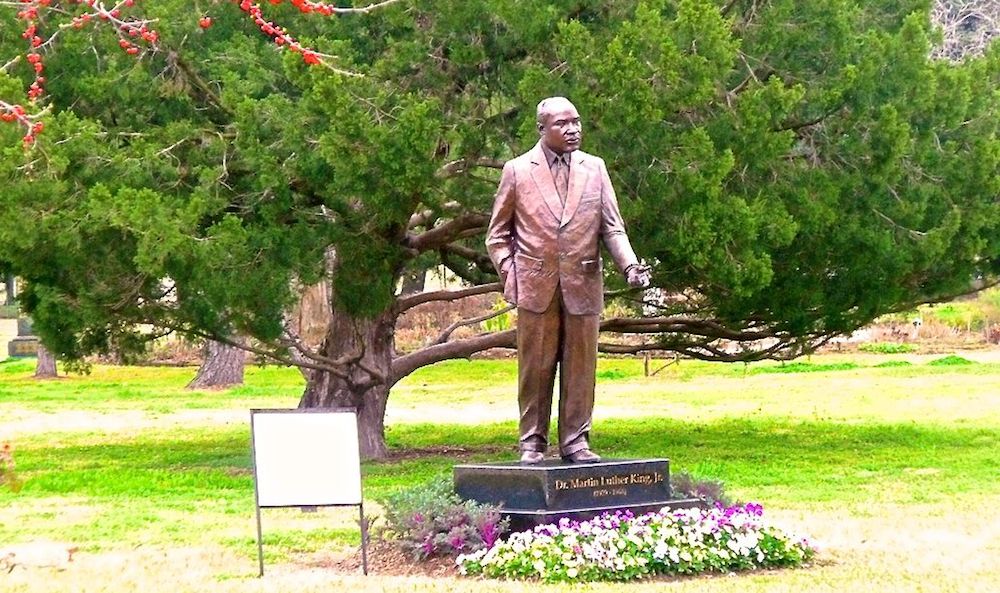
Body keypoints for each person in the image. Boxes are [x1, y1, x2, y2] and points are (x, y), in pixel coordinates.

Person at [485, 96, 650, 464]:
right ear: (542, 129)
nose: (573, 129)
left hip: (583, 283)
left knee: (581, 368)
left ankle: (576, 442)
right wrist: (512, 276)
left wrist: (630, 266)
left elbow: (613, 228)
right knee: (536, 368)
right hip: (534, 285)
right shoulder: (517, 170)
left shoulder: (595, 168)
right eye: (563, 124)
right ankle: (532, 442)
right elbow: (498, 234)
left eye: (576, 121)